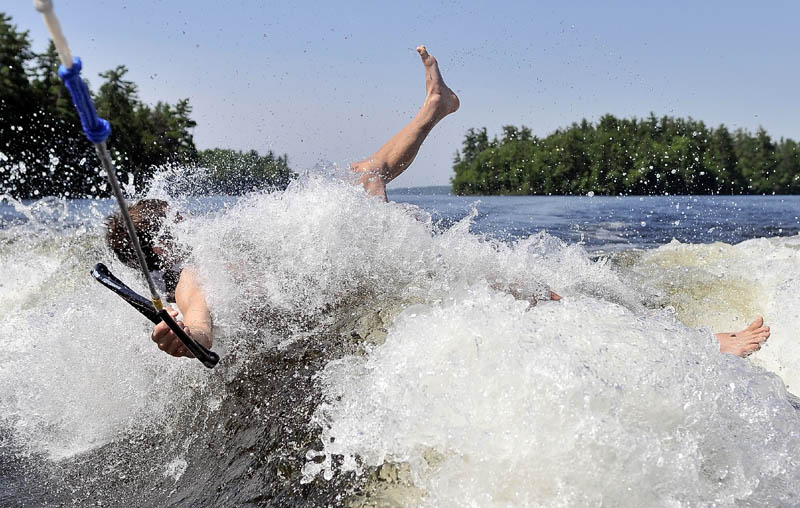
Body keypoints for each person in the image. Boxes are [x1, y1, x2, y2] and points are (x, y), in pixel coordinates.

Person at [104, 46, 770, 360]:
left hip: (390, 266)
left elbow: (201, 320)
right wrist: (187, 335)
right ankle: (434, 108)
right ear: (162, 242)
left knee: (545, 304)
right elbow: (199, 318)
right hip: (372, 257)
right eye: (178, 219)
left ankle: (701, 348)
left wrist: (189, 339)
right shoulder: (196, 259)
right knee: (369, 173)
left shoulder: (194, 264)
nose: (191, 222)